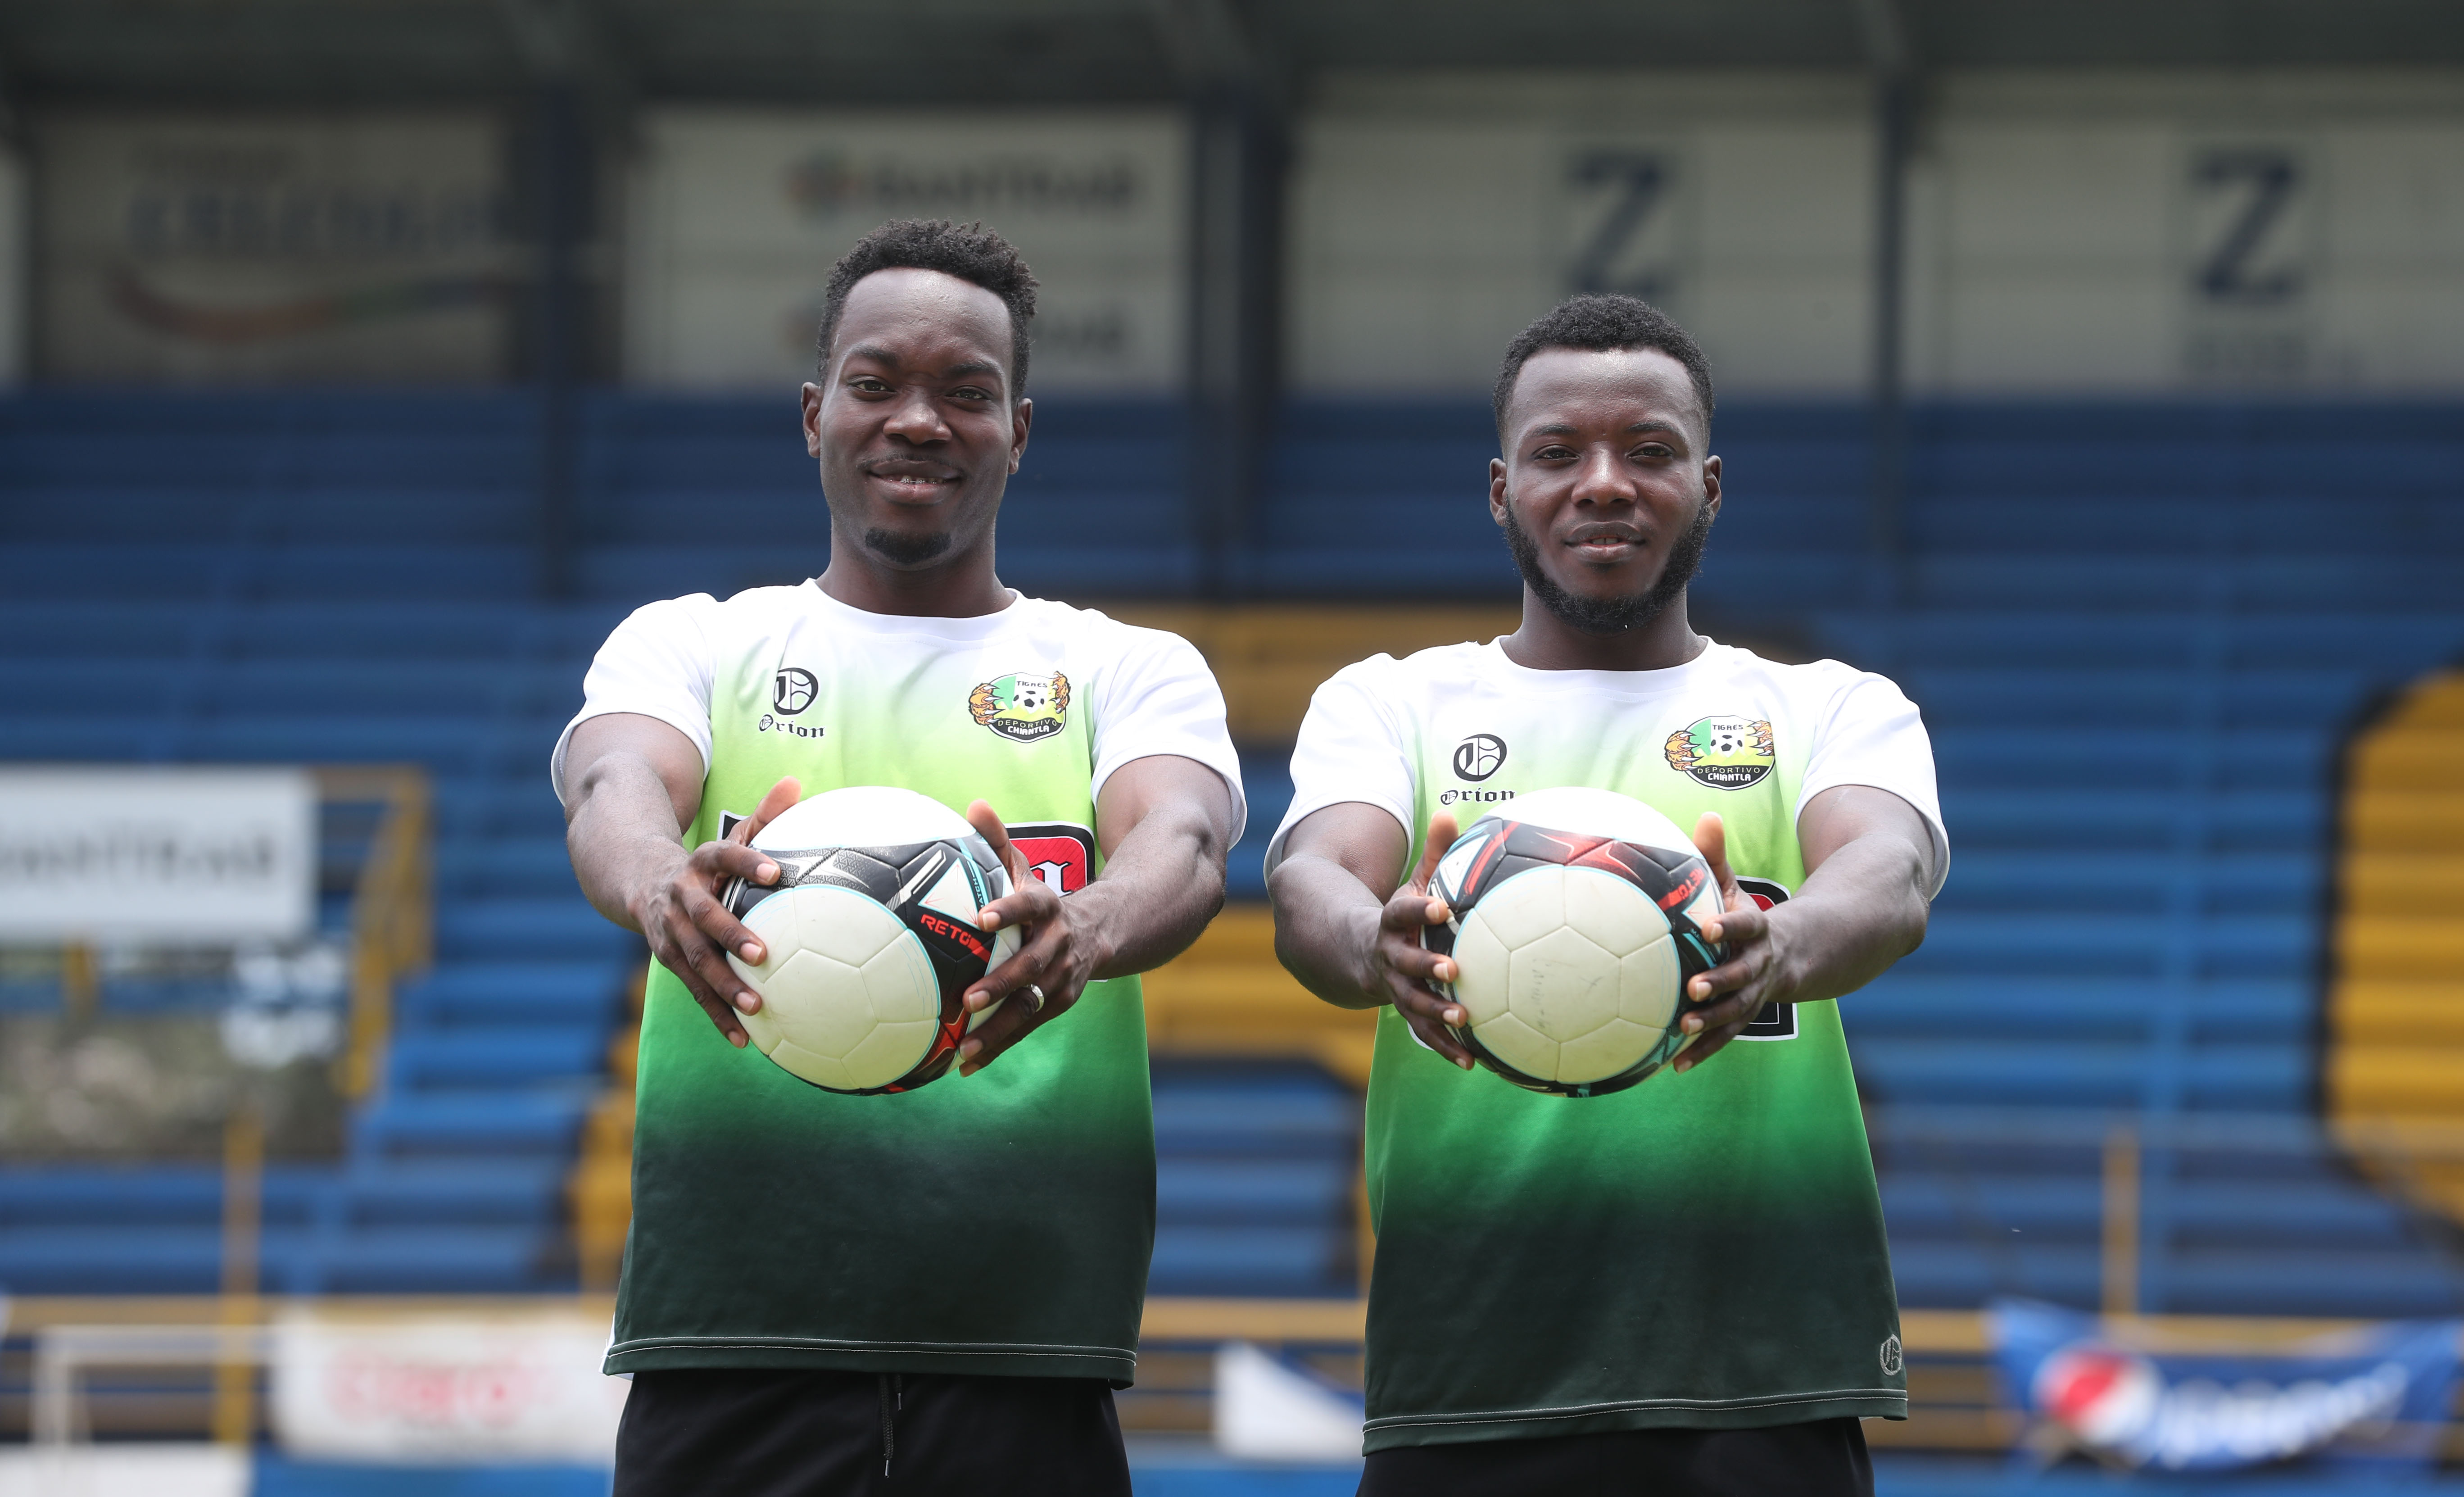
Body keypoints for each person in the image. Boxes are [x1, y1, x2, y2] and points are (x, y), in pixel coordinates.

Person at [555, 218, 1243, 1496]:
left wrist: (1088, 924)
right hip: (729, 1339)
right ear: (816, 412)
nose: (917, 420)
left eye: (966, 392)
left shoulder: (1123, 667)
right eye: (877, 384)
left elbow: (1186, 840)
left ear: (1019, 430)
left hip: (1027, 1352)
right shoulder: (697, 642)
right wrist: (660, 880)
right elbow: (613, 786)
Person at [1266, 293, 1947, 1497]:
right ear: (1499, 489)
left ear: (1711, 485)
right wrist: (1375, 941)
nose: (1604, 484)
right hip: (1470, 1366)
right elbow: (1312, 882)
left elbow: (1887, 874)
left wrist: (1781, 944)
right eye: (1558, 453)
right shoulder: (1392, 705)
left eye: (1648, 451)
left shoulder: (1831, 706)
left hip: (1759, 1374)